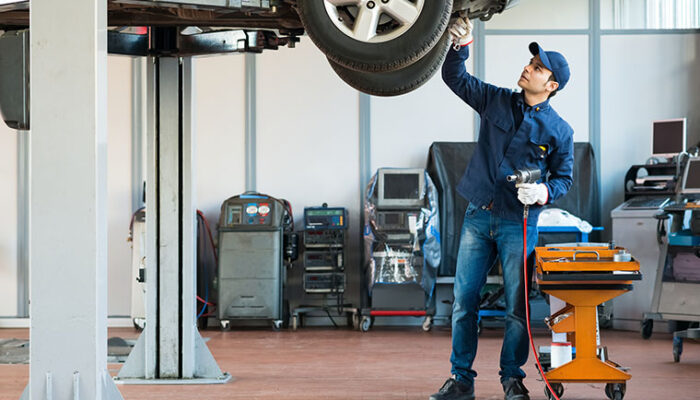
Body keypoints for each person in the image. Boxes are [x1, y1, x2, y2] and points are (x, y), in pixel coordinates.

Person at [430, 14, 575, 400]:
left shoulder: (560, 131)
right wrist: (460, 45)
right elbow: (455, 79)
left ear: (552, 84)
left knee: (517, 308)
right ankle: (461, 380)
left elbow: (564, 178)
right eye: (531, 63)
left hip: (519, 224)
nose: (528, 68)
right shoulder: (495, 99)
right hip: (478, 216)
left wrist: (543, 193)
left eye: (538, 67)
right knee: (464, 302)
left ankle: (513, 378)